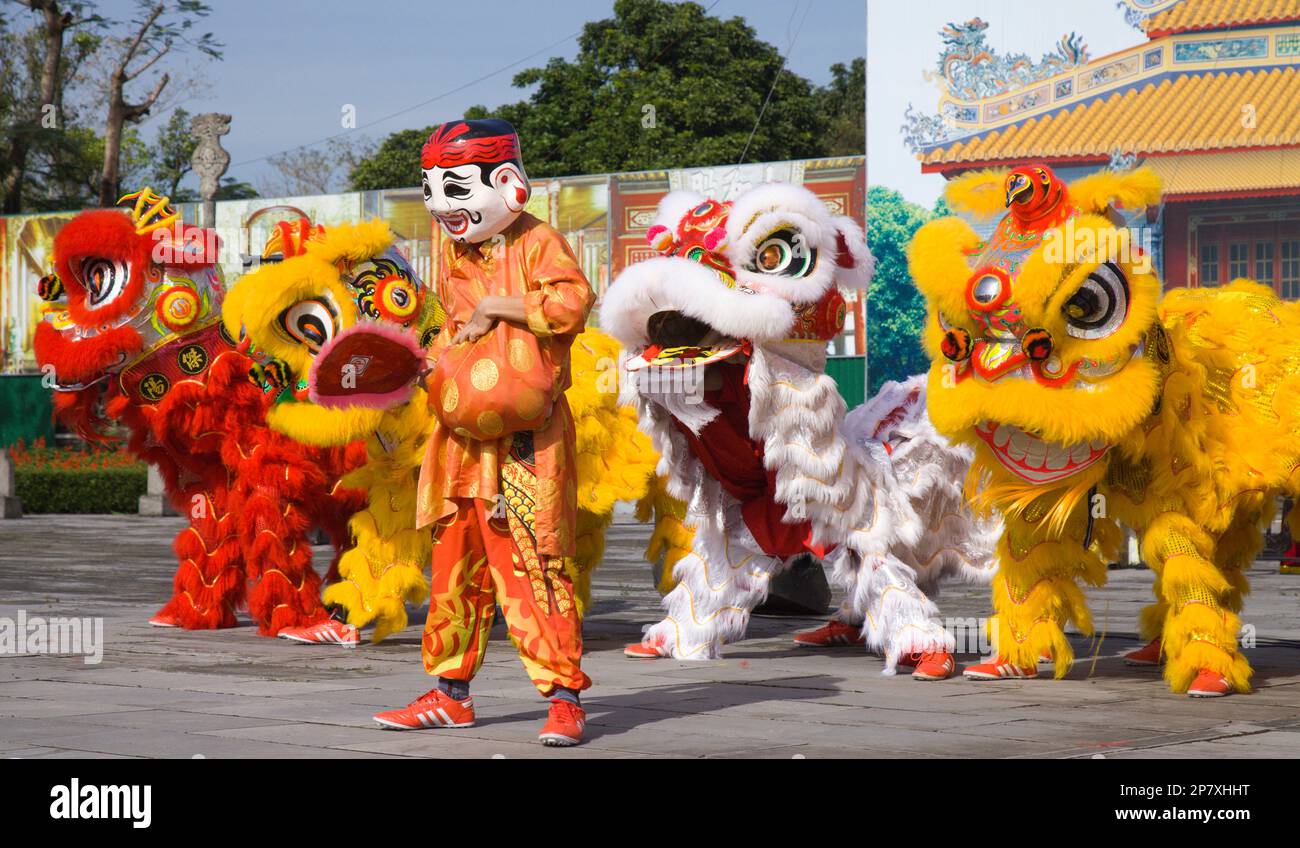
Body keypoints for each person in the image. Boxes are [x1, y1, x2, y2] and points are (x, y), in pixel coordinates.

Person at [371, 119, 596, 745]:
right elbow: (454, 329)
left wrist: (498, 308)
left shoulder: (538, 240)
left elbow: (571, 305)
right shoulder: (452, 252)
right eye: (432, 189)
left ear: (506, 183)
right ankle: (450, 694)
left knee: (534, 561)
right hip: (464, 436)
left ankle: (564, 697)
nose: (443, 206)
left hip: (528, 435)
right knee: (454, 561)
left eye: (456, 187)